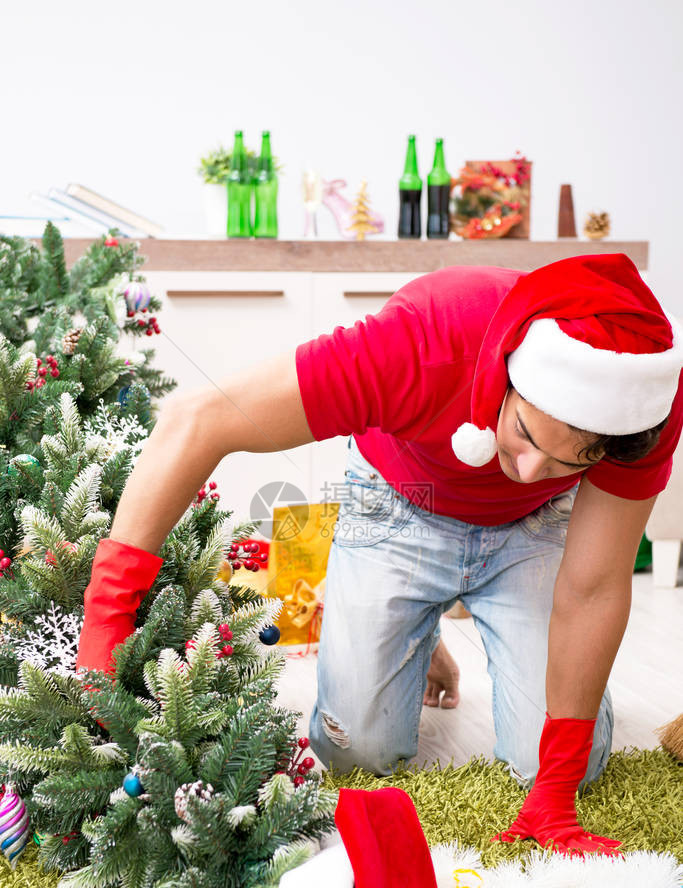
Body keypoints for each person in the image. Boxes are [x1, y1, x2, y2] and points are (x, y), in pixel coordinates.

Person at [76, 253, 683, 855]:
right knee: (357, 751)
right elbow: (198, 419)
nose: (526, 470)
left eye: (566, 460)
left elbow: (594, 587)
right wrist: (107, 615)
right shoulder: (421, 341)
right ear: (506, 376)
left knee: (559, 763)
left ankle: (437, 641)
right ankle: (416, 631)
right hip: (399, 499)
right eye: (525, 433)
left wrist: (554, 788)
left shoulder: (640, 411)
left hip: (537, 528)